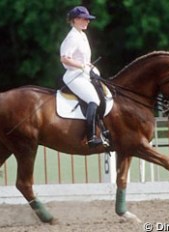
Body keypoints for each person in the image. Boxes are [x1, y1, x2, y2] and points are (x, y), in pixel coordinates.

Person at [60, 6, 102, 148]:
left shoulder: (82, 35)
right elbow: (65, 59)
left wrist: (89, 66)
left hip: (83, 73)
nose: (87, 22)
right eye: (85, 19)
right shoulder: (72, 37)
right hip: (74, 75)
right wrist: (83, 66)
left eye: (88, 19)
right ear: (75, 20)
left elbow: (83, 59)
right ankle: (91, 137)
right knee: (94, 99)